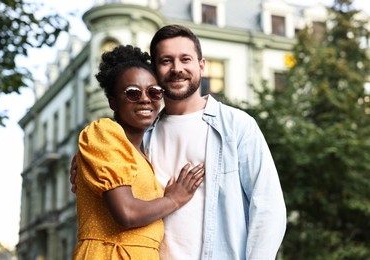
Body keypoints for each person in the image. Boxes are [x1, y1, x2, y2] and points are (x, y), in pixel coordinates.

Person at [71, 24, 286, 259]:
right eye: (166, 61)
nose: (177, 69)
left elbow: (268, 209)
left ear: (201, 66)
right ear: (155, 69)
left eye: (185, 59)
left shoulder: (236, 126)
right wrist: (83, 159)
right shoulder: (141, 134)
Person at [72, 45, 205, 260]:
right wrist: (174, 199)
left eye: (154, 92)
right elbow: (127, 213)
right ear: (112, 102)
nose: (145, 99)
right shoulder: (104, 132)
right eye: (133, 93)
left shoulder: (144, 152)